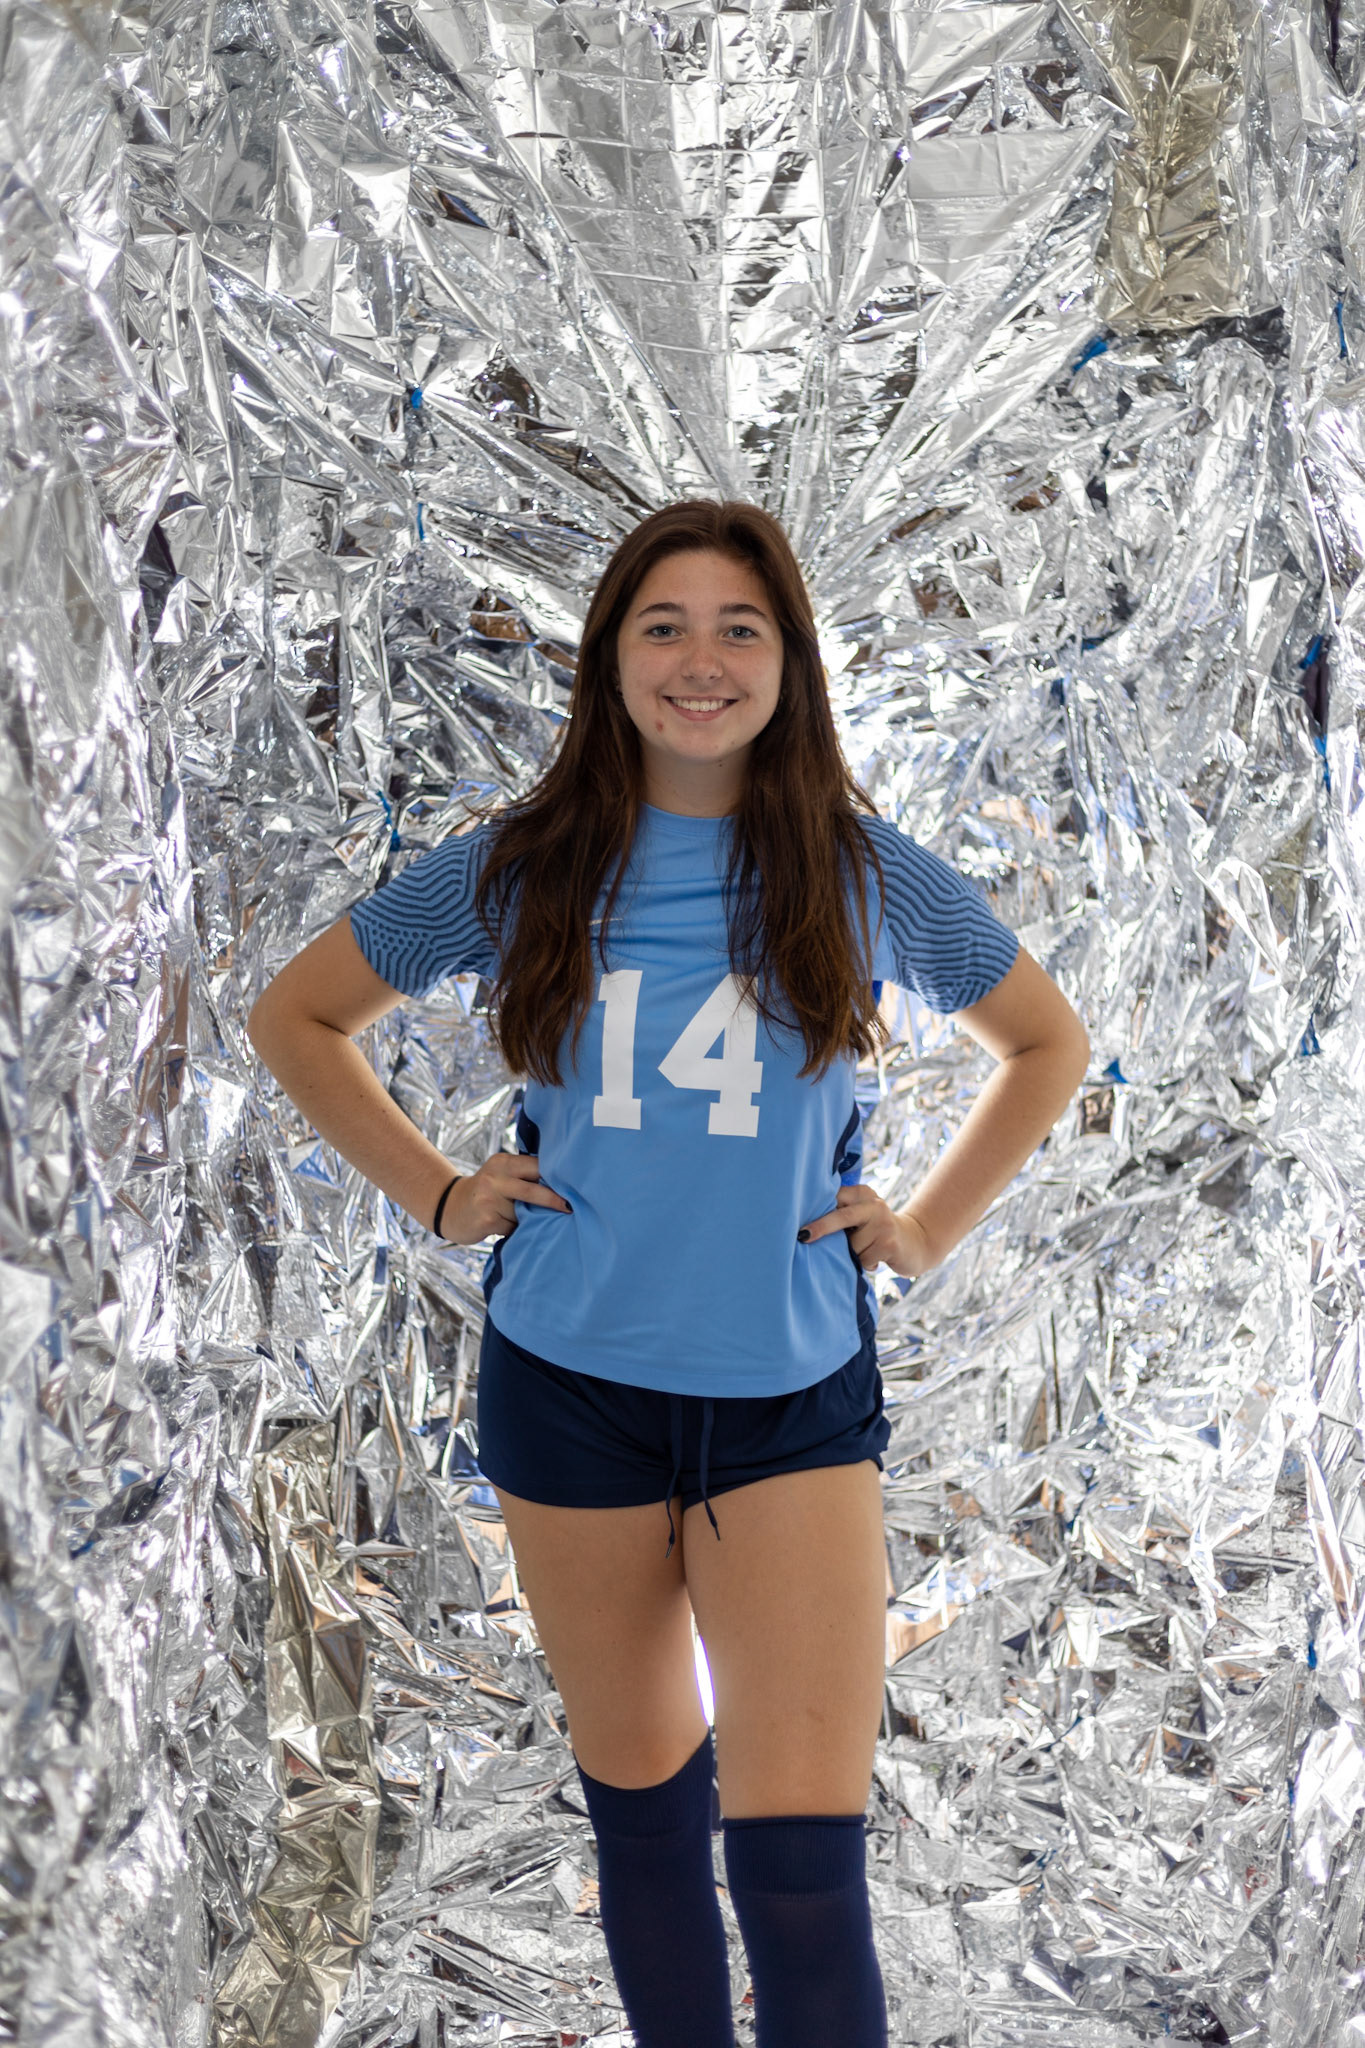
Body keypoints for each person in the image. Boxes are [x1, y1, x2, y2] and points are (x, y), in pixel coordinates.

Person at [247, 500, 1090, 2047]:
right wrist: (439, 1193)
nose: (700, 661)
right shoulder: (520, 867)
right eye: (663, 626)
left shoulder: (861, 875)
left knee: (799, 1867)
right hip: (572, 1394)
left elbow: (1046, 1045)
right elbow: (297, 1015)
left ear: (788, 664)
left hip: (785, 1404)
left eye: (738, 628)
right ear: (611, 660)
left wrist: (920, 1228)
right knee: (644, 1815)